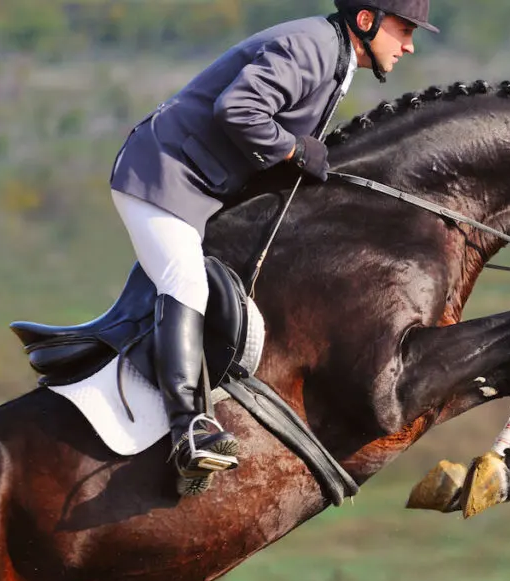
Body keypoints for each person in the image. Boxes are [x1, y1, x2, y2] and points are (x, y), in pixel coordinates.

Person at [108, 0, 438, 496]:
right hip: (160, 177)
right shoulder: (311, 47)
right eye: (404, 29)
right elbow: (238, 108)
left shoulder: (334, 54)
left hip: (198, 185)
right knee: (186, 283)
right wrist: (293, 148)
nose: (409, 45)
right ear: (366, 21)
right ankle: (190, 430)